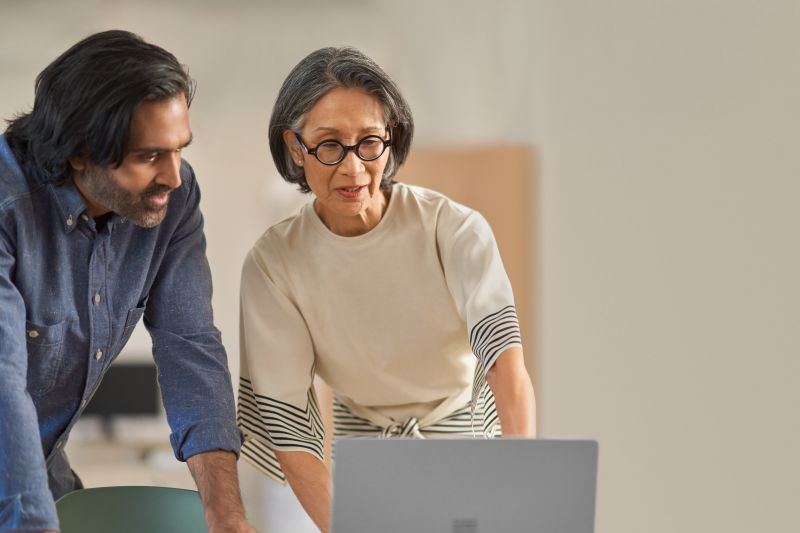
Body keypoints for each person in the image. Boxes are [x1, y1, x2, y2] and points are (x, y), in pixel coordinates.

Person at [237, 46, 537, 532]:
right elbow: (288, 426)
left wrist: (520, 491)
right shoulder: (274, 265)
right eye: (329, 145)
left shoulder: (454, 229)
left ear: (391, 138)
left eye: (370, 143)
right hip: (361, 446)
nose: (354, 170)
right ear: (295, 147)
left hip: (462, 431)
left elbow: (505, 363)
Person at [0, 30, 254, 533]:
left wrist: (226, 516)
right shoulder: (8, 209)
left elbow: (191, 346)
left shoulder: (174, 201)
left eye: (179, 149)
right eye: (149, 156)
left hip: (40, 476)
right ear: (80, 152)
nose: (174, 176)